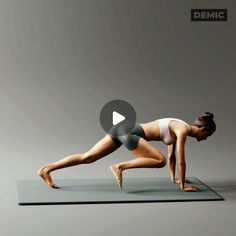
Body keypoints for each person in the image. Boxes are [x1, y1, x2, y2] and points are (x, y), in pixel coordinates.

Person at [38, 112, 216, 192]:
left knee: (88, 157)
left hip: (123, 129)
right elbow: (181, 161)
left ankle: (46, 170)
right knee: (158, 160)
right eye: (208, 135)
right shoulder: (182, 129)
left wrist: (174, 178)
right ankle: (119, 167)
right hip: (130, 132)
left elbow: (172, 156)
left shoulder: (179, 127)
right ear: (202, 129)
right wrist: (183, 187)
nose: (206, 139)